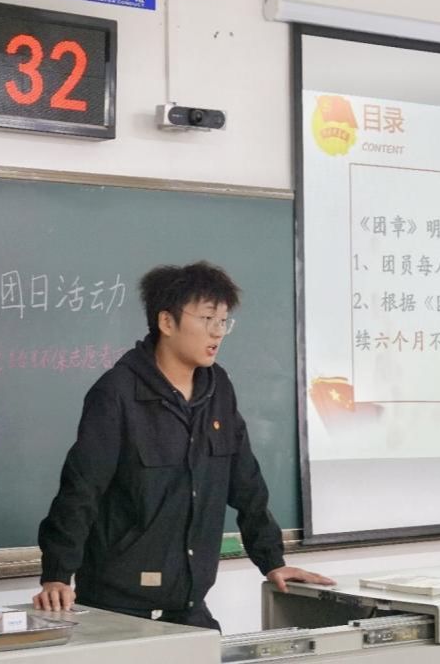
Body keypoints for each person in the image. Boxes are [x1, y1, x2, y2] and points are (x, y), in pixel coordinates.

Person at [33, 261, 334, 630]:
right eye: (207, 319)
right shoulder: (118, 393)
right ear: (166, 322)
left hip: (187, 603)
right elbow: (81, 488)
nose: (217, 332)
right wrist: (57, 575)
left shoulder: (218, 389)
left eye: (223, 321)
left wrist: (272, 561)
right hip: (117, 606)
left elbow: (246, 483)